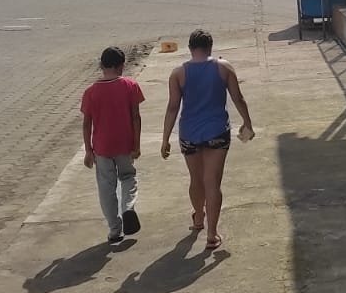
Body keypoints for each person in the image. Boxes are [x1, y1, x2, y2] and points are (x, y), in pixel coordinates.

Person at [161, 29, 254, 251]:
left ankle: (198, 217)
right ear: (210, 47)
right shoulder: (224, 68)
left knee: (196, 179)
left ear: (190, 48)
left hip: (189, 134)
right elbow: (238, 98)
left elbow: (172, 107)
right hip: (217, 132)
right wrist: (247, 122)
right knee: (212, 182)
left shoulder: (178, 74)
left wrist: (165, 139)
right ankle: (212, 234)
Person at [80, 46, 146, 244]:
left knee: (106, 187)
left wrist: (88, 150)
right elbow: (136, 117)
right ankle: (128, 207)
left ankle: (114, 229)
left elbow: (87, 123)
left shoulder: (90, 92)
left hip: (102, 147)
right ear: (122, 66)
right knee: (128, 177)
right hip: (125, 144)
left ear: (101, 65)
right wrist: (137, 145)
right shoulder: (130, 86)